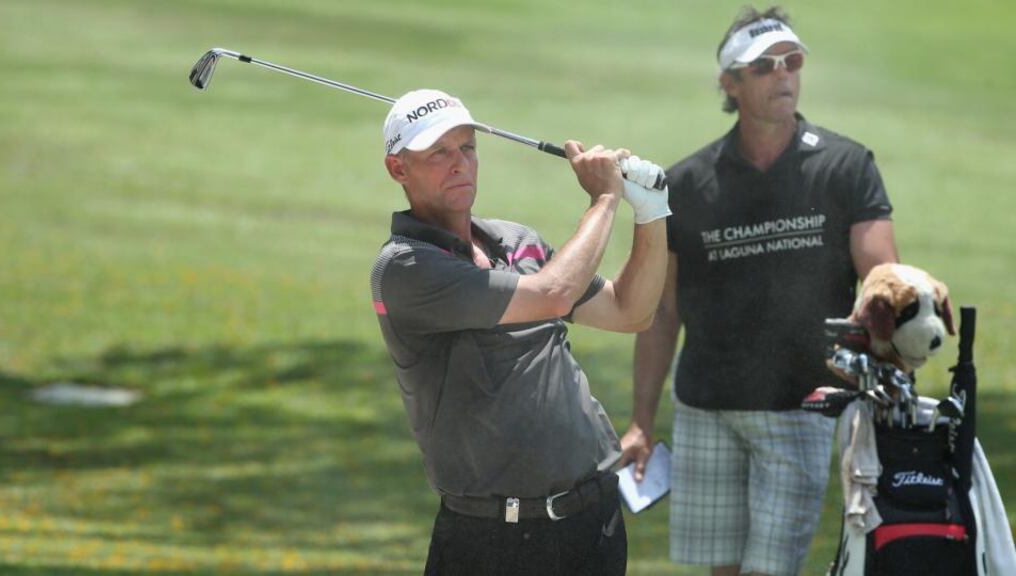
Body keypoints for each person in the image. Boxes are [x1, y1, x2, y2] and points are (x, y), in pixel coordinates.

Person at [618, 6, 900, 576]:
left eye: (791, 61)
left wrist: (885, 386)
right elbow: (661, 311)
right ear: (729, 83)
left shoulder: (846, 166)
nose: (783, 75)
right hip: (705, 408)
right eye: (764, 66)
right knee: (723, 571)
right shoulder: (689, 184)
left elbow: (882, 290)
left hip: (799, 407)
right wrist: (642, 420)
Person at [370, 88, 670, 576]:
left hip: (592, 523)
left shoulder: (515, 240)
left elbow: (630, 312)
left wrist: (652, 212)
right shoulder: (407, 267)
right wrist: (606, 198)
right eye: (438, 153)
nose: (459, 164)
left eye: (467, 147)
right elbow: (553, 293)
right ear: (397, 169)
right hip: (492, 539)